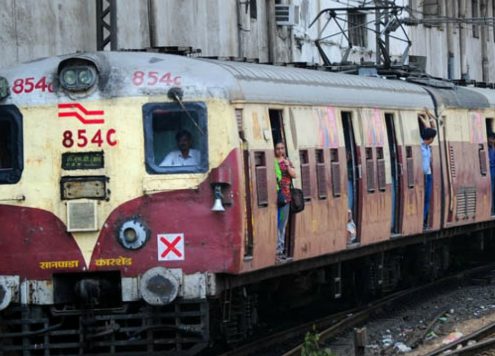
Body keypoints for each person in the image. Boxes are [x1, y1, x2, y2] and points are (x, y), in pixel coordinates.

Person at [274, 141, 296, 261]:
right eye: (278, 148)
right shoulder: (272, 162)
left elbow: (294, 175)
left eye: (282, 148)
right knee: (277, 224)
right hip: (275, 197)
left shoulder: (287, 162)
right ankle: (277, 250)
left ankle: (279, 249)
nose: (280, 151)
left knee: (281, 224)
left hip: (285, 199)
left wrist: (287, 165)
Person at [419, 110, 437, 229]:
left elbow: (432, 129)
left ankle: (424, 220)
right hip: (424, 176)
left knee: (427, 199)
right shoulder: (421, 146)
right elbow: (432, 131)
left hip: (428, 175)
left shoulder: (426, 145)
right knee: (425, 199)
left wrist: (428, 116)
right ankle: (423, 220)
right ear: (430, 138)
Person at [488, 132, 495, 214]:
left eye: (491, 138)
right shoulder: (488, 149)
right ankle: (492, 210)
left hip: (493, 173)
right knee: (491, 192)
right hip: (491, 173)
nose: (489, 140)